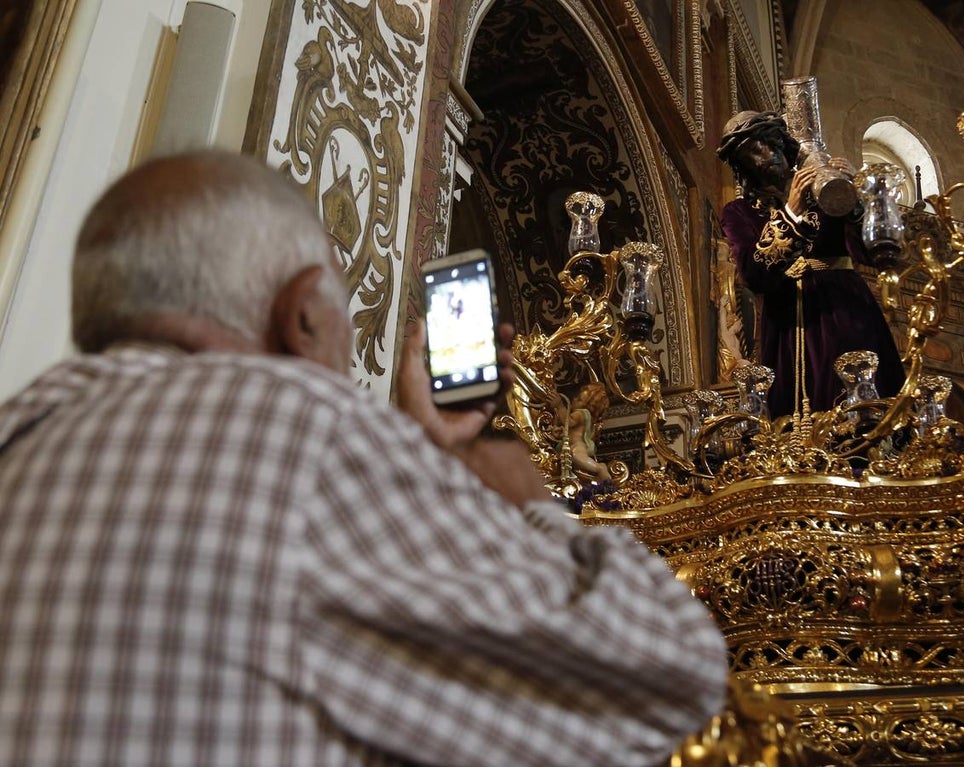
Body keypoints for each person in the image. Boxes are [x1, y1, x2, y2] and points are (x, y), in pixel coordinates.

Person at [0, 151, 728, 766]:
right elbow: (669, 666)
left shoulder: (24, 429)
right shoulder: (292, 427)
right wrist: (523, 501)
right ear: (306, 310)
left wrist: (419, 455)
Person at [717, 110, 905, 421]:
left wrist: (855, 197)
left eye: (768, 142)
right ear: (743, 165)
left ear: (780, 140)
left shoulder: (824, 186)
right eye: (752, 151)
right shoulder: (740, 212)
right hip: (789, 320)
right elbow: (754, 274)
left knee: (865, 405)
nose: (765, 155)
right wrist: (791, 212)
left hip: (845, 309)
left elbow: (876, 252)